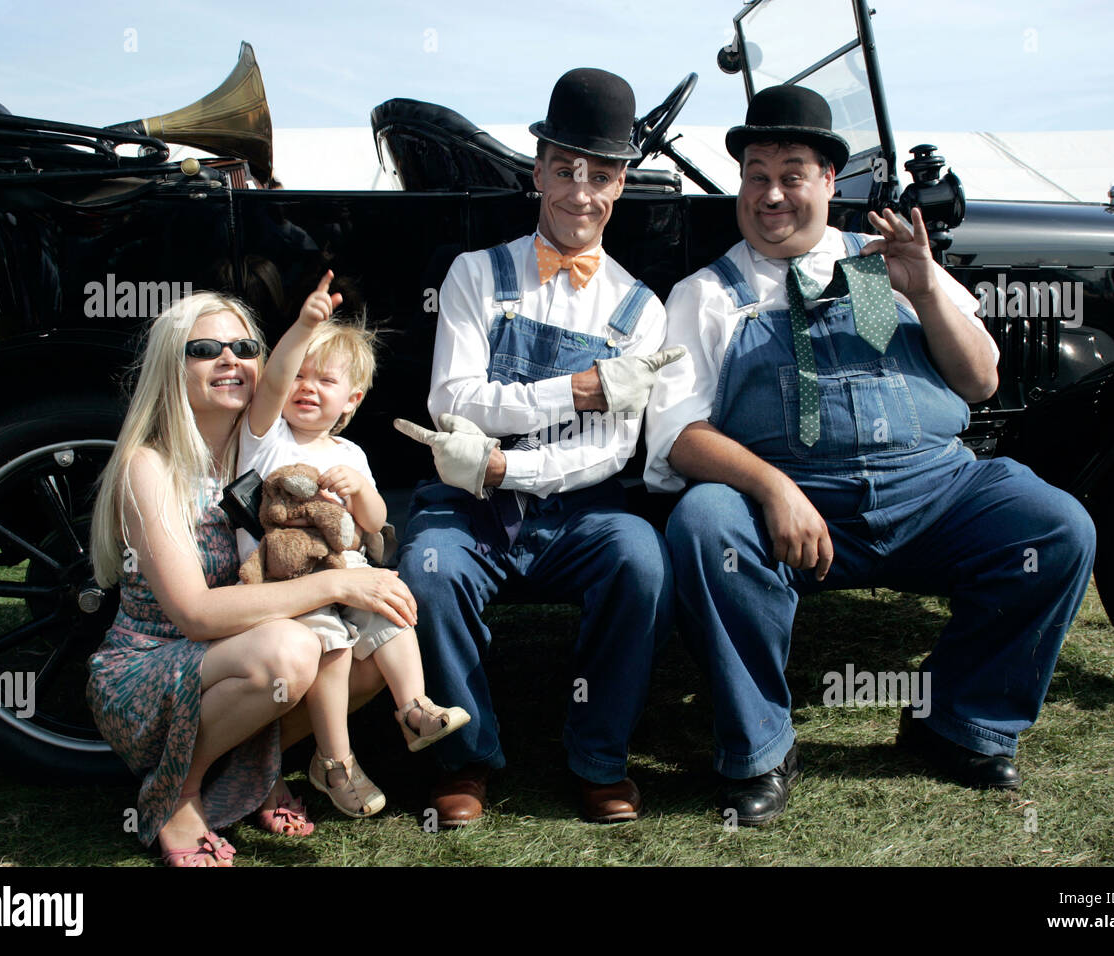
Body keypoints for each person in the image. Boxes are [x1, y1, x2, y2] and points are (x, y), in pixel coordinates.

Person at [644, 85, 1096, 826]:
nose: (772, 194)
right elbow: (676, 436)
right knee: (705, 524)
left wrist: (925, 288)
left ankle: (958, 724)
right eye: (757, 174)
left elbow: (979, 380)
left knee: (1056, 527)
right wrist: (773, 488)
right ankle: (761, 746)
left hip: (931, 491)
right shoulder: (710, 294)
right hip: (799, 507)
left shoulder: (878, 263)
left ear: (829, 181)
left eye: (793, 173)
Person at [393, 68, 683, 826]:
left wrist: (505, 463)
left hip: (575, 508)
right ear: (538, 173)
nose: (580, 193)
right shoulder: (473, 274)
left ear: (621, 183)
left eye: (600, 175)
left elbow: (613, 448)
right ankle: (467, 758)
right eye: (564, 171)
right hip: (465, 505)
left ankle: (599, 758)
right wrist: (575, 391)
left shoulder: (641, 309)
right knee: (426, 571)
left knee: (641, 560)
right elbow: (452, 402)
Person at [86, 291, 418, 865]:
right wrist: (336, 586)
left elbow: (359, 525)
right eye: (205, 349)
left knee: (366, 650)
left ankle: (255, 774)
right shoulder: (152, 465)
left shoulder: (266, 447)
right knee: (292, 648)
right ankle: (178, 794)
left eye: (243, 348)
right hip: (152, 665)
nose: (229, 360)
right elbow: (194, 615)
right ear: (173, 365)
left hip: (241, 649)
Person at [236, 271, 468, 819]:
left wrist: (361, 488)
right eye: (300, 376)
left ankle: (414, 708)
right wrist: (303, 327)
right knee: (332, 651)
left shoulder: (350, 453)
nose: (307, 387)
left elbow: (376, 520)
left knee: (395, 618)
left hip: (350, 572)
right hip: (291, 585)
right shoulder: (267, 438)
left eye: (326, 380)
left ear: (352, 399)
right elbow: (271, 385)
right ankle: (336, 761)